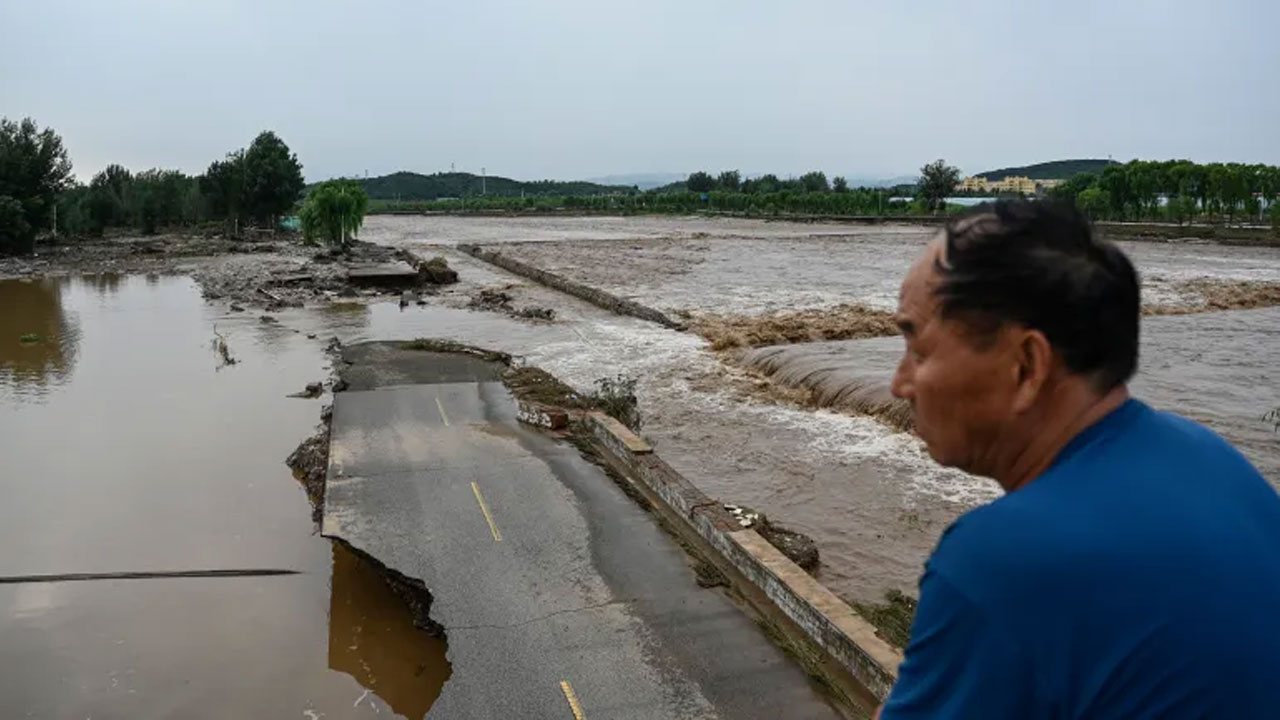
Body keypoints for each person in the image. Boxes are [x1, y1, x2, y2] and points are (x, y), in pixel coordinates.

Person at [876, 200, 1280, 719]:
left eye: (919, 349)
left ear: (1026, 366)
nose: (899, 384)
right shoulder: (1212, 457)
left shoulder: (1002, 560)